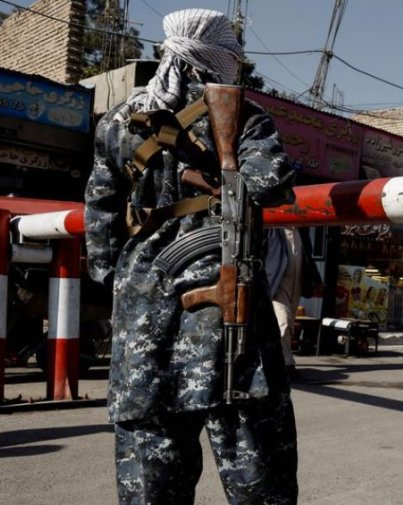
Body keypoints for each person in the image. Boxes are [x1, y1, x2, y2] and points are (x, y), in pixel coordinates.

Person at [84, 9, 297, 504]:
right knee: (260, 480)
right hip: (227, 331)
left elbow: (100, 221)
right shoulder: (243, 115)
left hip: (144, 331)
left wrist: (128, 287)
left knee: (151, 483)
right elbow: (270, 182)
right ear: (219, 58)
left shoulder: (117, 122)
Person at [267, 226, 322, 380]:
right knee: (283, 322)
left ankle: (278, 360)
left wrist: (316, 280)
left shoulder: (302, 230)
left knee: (289, 324)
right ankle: (287, 365)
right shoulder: (272, 228)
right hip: (277, 283)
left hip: (297, 282)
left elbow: (308, 256)